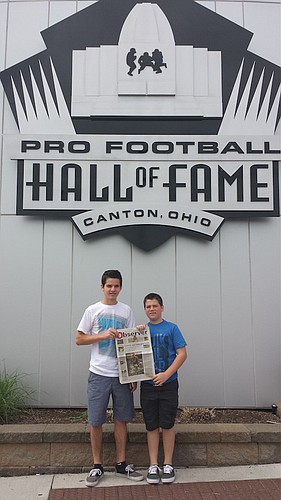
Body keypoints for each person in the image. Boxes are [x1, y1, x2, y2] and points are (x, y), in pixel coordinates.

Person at [75, 270, 144, 487]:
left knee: (121, 419)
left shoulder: (126, 311)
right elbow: (79, 339)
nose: (112, 289)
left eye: (116, 286)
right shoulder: (92, 310)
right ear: (102, 287)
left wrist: (134, 374)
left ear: (121, 287)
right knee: (96, 421)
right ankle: (97, 466)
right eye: (109, 286)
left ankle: (121, 463)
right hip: (98, 374)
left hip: (122, 376)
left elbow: (132, 342)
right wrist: (103, 335)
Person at [139, 293, 187, 485]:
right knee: (151, 425)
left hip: (168, 384)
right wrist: (136, 333)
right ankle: (153, 464)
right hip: (148, 386)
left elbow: (182, 354)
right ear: (145, 309)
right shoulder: (141, 330)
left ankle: (168, 463)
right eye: (148, 306)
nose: (152, 309)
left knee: (167, 424)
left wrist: (167, 374)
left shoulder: (172, 328)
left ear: (162, 308)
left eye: (155, 306)